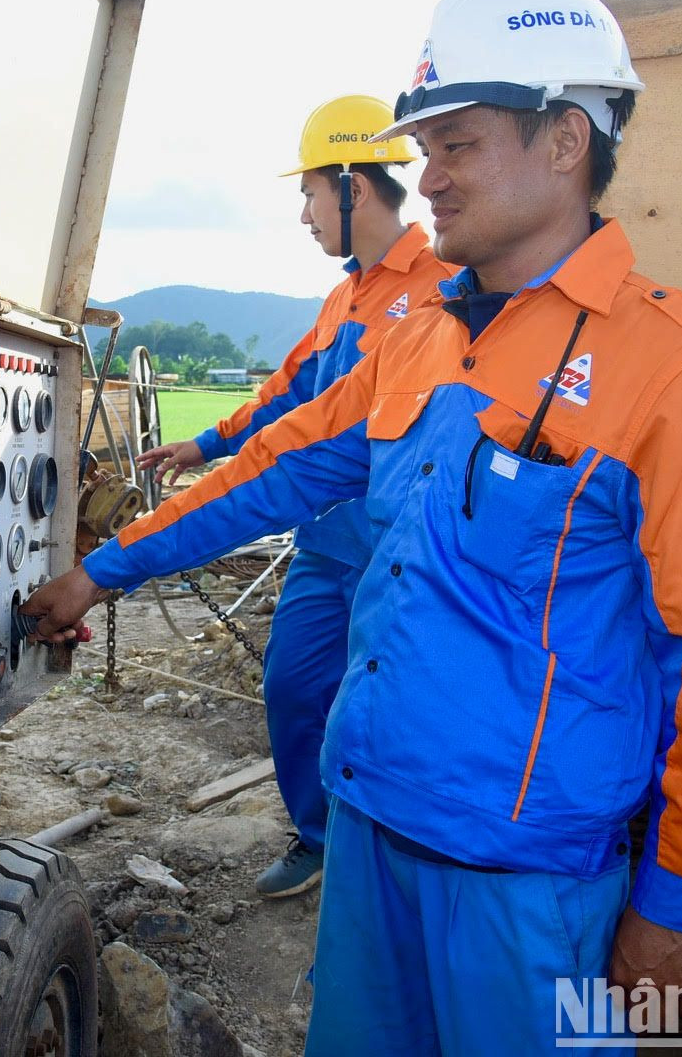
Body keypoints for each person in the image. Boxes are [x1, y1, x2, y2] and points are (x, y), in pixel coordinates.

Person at [24, 0, 682, 1053]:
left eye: (455, 145)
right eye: (421, 149)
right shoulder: (417, 339)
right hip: (371, 834)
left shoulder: (678, 374)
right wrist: (99, 571)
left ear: (565, 140)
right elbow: (275, 465)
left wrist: (672, 909)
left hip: (526, 889)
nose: (423, 179)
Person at [136, 94, 452, 898]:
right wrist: (205, 445)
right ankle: (318, 838)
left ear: (352, 186)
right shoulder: (345, 297)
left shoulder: (445, 285)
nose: (305, 214)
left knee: (391, 707)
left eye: (311, 192)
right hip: (325, 544)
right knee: (292, 686)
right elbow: (286, 396)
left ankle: (382, 861)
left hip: (396, 554)